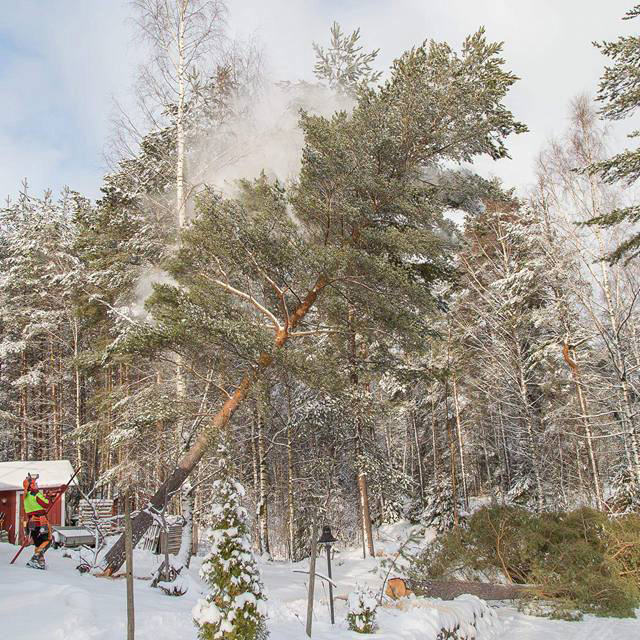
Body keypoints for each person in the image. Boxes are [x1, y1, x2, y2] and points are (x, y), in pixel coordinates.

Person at [22, 474, 65, 570]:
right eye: (35, 483)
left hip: (31, 523)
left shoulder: (26, 496)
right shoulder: (36, 494)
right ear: (31, 486)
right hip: (40, 522)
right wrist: (50, 497)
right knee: (48, 541)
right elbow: (46, 504)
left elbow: (40, 501)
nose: (37, 485)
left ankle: (40, 562)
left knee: (39, 543)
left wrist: (55, 492)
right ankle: (35, 558)